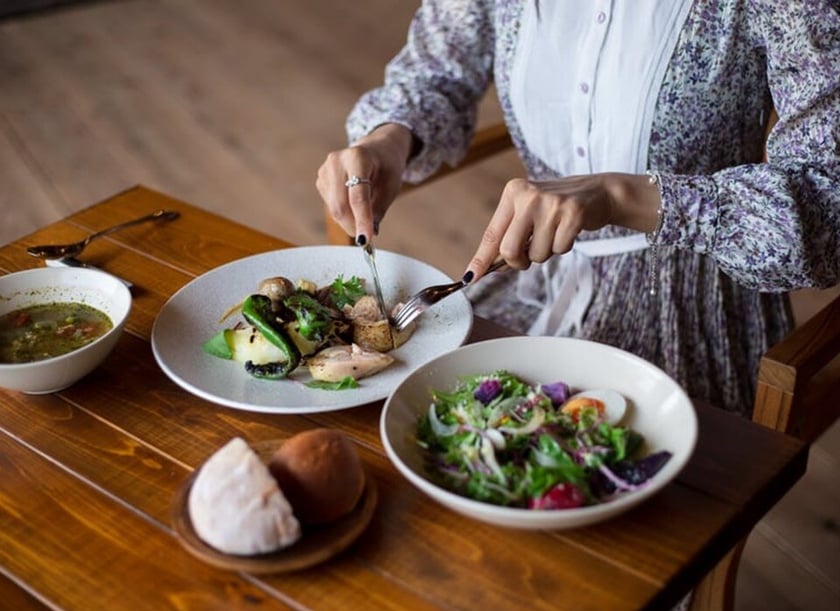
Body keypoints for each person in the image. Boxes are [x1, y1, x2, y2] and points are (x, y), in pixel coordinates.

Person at [316, 0, 840, 421]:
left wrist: (621, 197)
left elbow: (827, 205)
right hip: (538, 277)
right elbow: (438, 70)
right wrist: (390, 137)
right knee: (401, 421)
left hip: (694, 314)